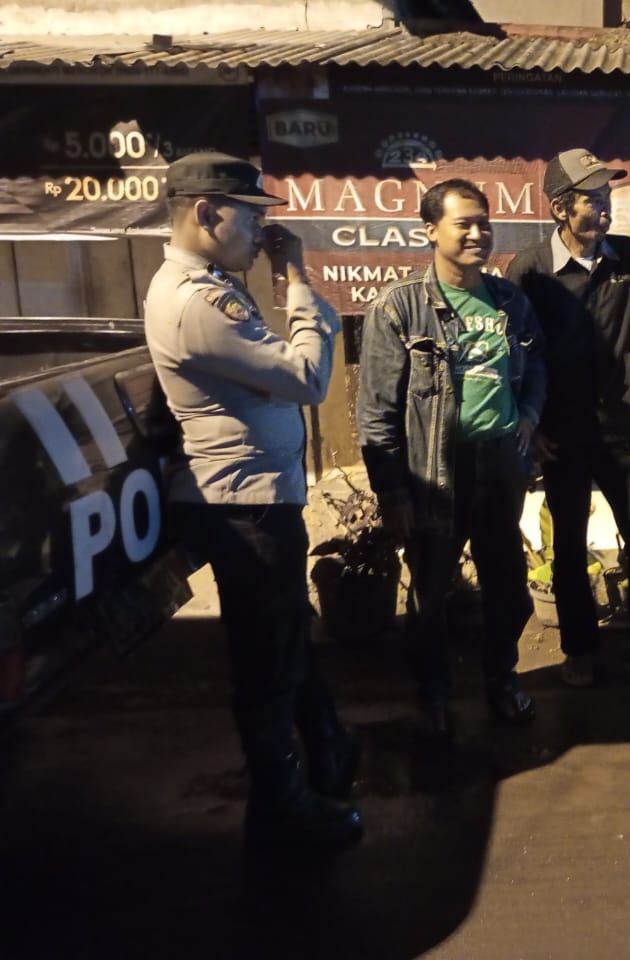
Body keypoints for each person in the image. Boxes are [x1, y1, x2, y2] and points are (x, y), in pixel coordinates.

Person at [144, 152, 362, 850]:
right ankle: (279, 808)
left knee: (285, 634)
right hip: (244, 507)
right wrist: (296, 280)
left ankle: (328, 750)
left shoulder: (208, 288)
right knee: (267, 658)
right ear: (207, 212)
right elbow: (307, 377)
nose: (261, 233)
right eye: (251, 217)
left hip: (257, 499)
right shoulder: (195, 302)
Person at [357, 178, 545, 737]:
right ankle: (434, 695)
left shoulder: (510, 300)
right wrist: (392, 493)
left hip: (500, 463)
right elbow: (376, 410)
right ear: (430, 230)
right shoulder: (400, 306)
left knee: (508, 586)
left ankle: (501, 678)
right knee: (430, 592)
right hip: (436, 469)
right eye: (463, 223)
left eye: (484, 223)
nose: (477, 233)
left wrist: (530, 414)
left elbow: (537, 364)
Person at [506, 148, 630, 689]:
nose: (605, 207)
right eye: (593, 198)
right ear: (561, 208)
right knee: (568, 544)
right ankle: (580, 651)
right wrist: (531, 423)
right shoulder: (530, 270)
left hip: (618, 423)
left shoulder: (627, 256)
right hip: (560, 431)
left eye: (607, 195)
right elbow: (515, 355)